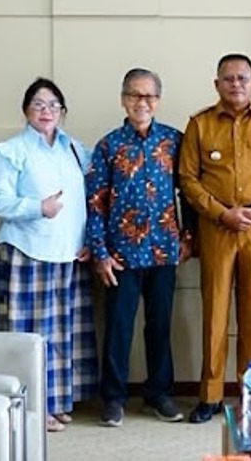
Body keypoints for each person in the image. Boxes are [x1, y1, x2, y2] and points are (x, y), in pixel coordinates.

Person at [179, 53, 251, 424]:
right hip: (216, 229)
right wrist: (220, 212)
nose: (236, 84)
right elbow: (188, 179)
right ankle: (210, 395)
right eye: (228, 79)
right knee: (214, 313)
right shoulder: (199, 125)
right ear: (217, 84)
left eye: (243, 78)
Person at [0, 78, 97, 433]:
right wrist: (38, 207)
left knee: (60, 336)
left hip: (68, 256)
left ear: (62, 112)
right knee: (29, 338)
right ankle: (32, 406)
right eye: (38, 104)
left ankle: (57, 402)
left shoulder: (75, 149)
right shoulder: (11, 151)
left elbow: (87, 199)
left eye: (53, 105)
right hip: (27, 254)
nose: (46, 111)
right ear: (25, 110)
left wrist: (87, 239)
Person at [86, 68, 193, 427]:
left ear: (158, 101)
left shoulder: (174, 142)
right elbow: (95, 203)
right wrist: (100, 253)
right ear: (123, 99)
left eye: (148, 96)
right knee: (119, 328)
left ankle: (158, 394)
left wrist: (188, 237)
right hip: (121, 255)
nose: (141, 102)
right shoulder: (108, 146)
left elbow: (189, 193)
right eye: (134, 95)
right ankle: (113, 398)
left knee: (160, 326)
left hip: (164, 251)